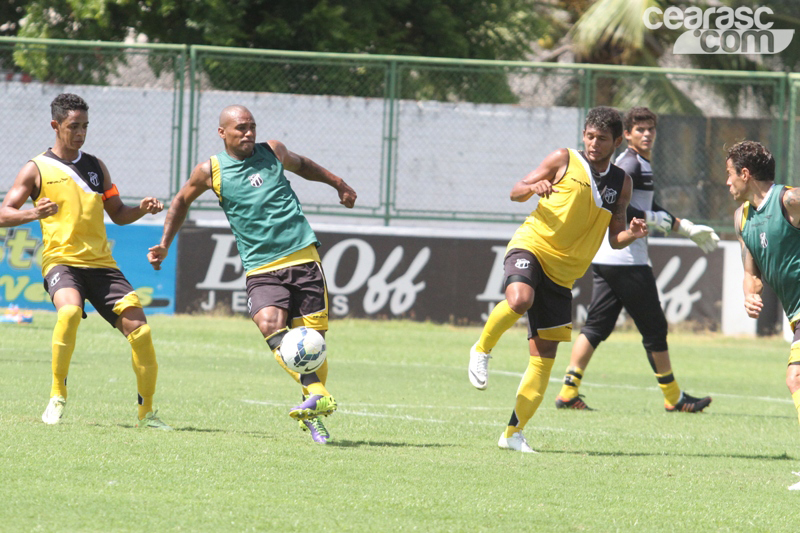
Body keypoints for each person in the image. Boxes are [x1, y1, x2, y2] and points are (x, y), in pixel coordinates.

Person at [148, 105, 356, 444]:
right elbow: (181, 201)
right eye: (241, 128)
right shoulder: (210, 170)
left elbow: (304, 166)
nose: (248, 133)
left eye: (252, 127)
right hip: (260, 266)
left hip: (303, 256)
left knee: (312, 343)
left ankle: (314, 407)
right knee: (269, 325)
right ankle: (319, 393)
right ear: (222, 133)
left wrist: (339, 184)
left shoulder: (273, 151)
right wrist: (164, 243)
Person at [467, 106, 649, 452]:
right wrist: (533, 186)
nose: (594, 144)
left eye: (602, 139)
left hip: (565, 274)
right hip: (533, 246)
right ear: (583, 135)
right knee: (520, 299)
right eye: (589, 136)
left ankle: (512, 434)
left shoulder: (621, 183)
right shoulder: (564, 158)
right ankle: (482, 348)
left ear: (615, 142)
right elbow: (515, 191)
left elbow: (614, 237)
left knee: (544, 357)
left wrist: (633, 234)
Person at [0, 93, 170, 429]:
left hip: (102, 265)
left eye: (85, 126)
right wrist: (35, 212)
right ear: (55, 125)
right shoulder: (36, 168)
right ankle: (57, 394)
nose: (80, 133)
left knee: (142, 331)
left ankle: (147, 413)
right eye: (73, 126)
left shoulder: (95, 166)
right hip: (61, 261)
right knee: (68, 311)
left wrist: (142, 209)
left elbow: (118, 214)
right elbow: (4, 213)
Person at [554, 107, 717, 413]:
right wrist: (659, 220)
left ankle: (567, 390)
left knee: (596, 327)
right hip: (627, 260)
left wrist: (684, 226)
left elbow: (644, 203)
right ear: (625, 135)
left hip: (609, 258)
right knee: (654, 328)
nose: (647, 134)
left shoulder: (639, 163)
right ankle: (673, 397)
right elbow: (617, 204)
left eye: (651, 129)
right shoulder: (629, 163)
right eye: (639, 130)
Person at [727, 140, 800, 490]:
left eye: (729, 175)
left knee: (796, 378)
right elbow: (751, 270)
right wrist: (748, 293)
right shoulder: (742, 218)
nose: (726, 183)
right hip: (796, 316)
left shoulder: (789, 201)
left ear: (745, 174)